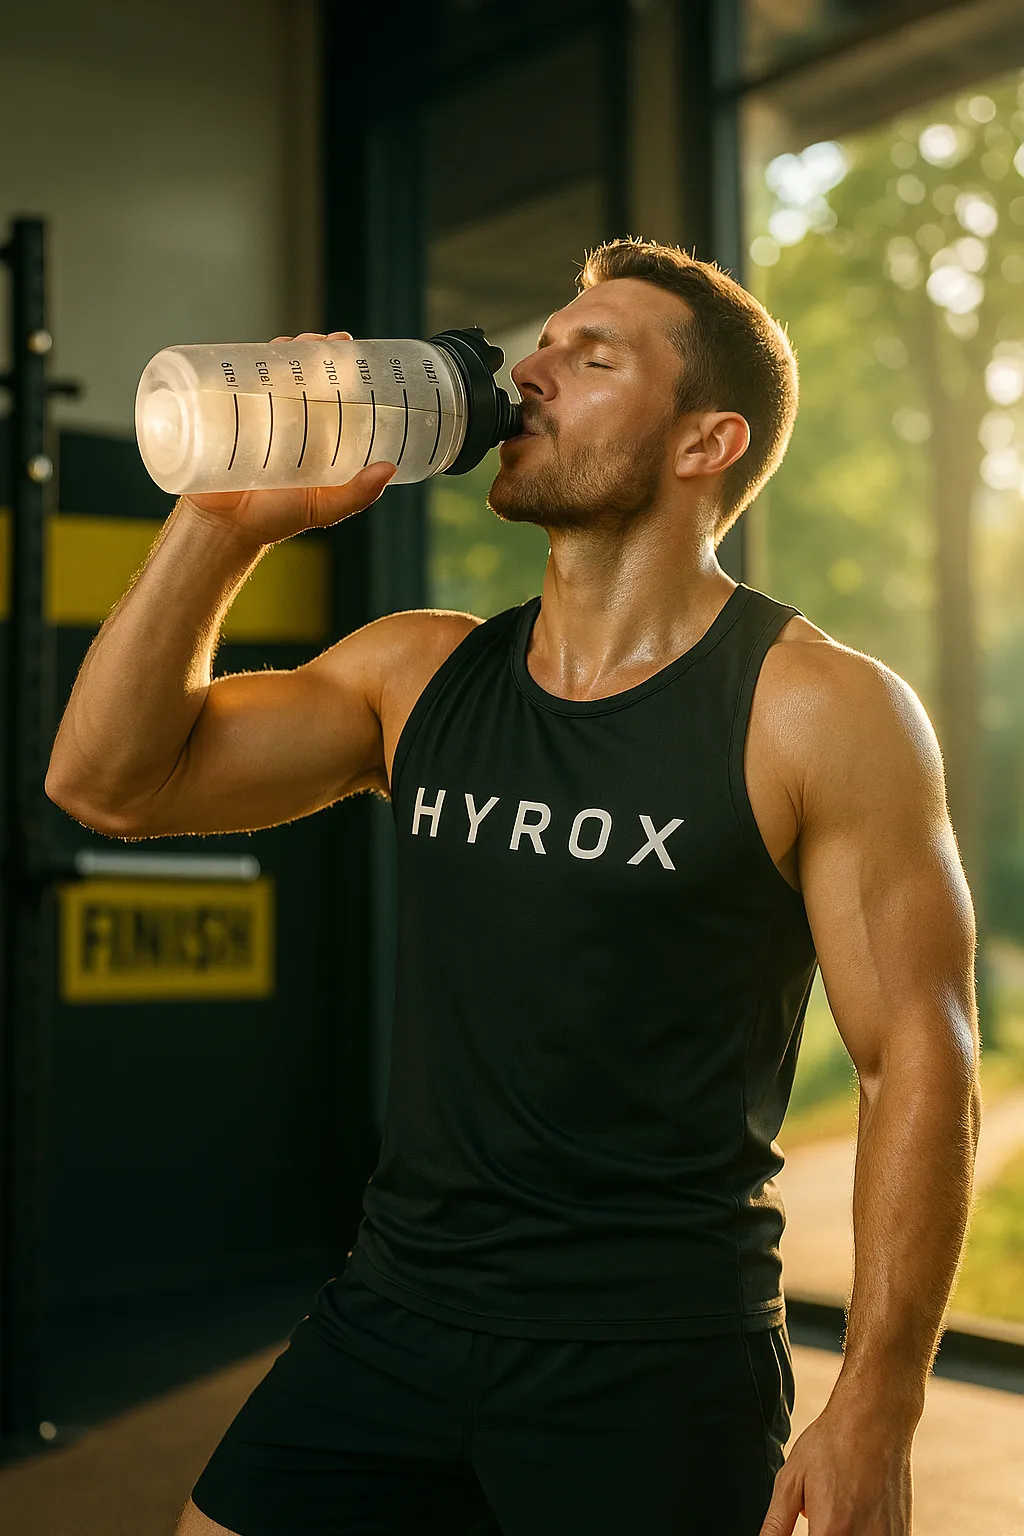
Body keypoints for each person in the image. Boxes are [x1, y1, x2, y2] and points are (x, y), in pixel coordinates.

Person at [46, 237, 981, 1536]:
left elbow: (918, 1060)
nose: (531, 372)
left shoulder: (818, 711)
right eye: (544, 341)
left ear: (705, 443)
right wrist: (223, 516)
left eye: (593, 357)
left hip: (650, 1360)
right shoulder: (417, 675)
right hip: (396, 1313)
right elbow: (109, 782)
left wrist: (877, 1406)